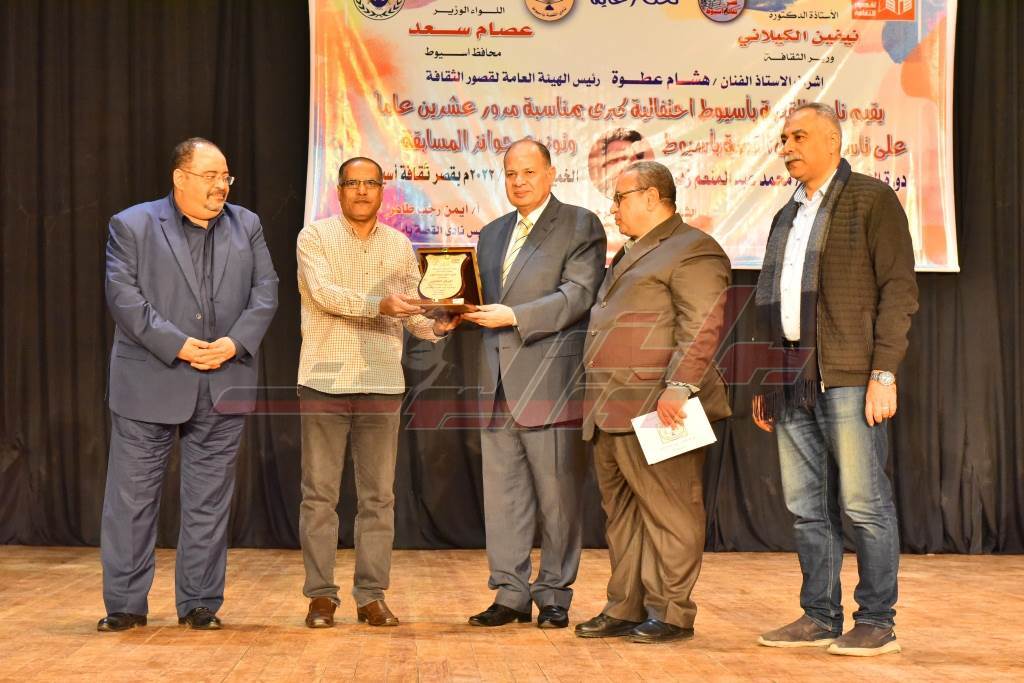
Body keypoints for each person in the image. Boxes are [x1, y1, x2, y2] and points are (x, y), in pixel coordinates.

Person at [752, 103, 918, 656]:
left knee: (865, 504)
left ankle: (877, 620)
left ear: (832, 141)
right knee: (806, 508)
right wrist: (766, 377)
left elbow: (899, 290)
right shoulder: (787, 214)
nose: (787, 148)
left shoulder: (870, 199)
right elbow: (771, 299)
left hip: (850, 375)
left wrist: (884, 372)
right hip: (791, 378)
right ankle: (819, 615)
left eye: (799, 137)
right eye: (784, 139)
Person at [98, 137, 279, 632]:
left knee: (209, 501)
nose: (221, 186)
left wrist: (235, 343)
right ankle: (125, 605)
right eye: (210, 176)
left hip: (223, 381)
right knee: (132, 501)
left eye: (226, 177)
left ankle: (200, 602)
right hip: (149, 381)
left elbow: (266, 291)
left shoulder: (247, 225)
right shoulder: (132, 224)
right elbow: (124, 296)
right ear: (180, 178)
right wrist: (177, 344)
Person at [296, 156, 459, 629]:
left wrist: (438, 326)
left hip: (382, 384)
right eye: (354, 183)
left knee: (378, 499)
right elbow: (324, 294)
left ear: (382, 190)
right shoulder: (314, 237)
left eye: (371, 183)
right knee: (319, 497)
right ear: (339, 190)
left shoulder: (399, 245)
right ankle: (320, 597)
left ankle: (371, 596)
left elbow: (411, 313)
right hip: (324, 382)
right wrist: (378, 304)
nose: (363, 191)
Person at [574, 160, 731, 644]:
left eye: (619, 198)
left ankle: (673, 612)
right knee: (622, 517)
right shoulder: (631, 251)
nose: (613, 208)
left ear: (651, 197)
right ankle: (625, 606)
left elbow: (702, 323)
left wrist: (680, 386)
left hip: (660, 407)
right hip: (609, 407)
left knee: (671, 512)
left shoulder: (694, 248)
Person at [462, 139, 606, 629]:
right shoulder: (492, 233)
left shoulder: (580, 224)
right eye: (510, 173)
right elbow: (480, 299)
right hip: (496, 384)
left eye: (528, 172)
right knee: (503, 497)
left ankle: (554, 593)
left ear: (550, 174)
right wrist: (451, 314)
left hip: (552, 381)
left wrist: (515, 316)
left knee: (558, 497)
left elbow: (579, 295)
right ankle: (510, 594)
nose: (519, 181)